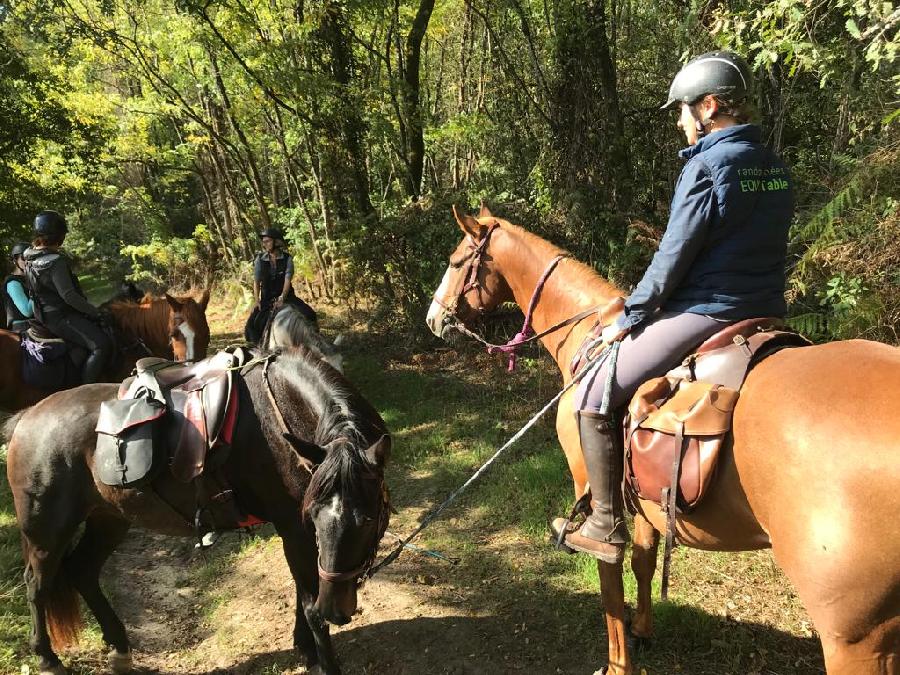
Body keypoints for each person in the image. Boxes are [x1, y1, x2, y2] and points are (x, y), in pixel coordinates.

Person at [551, 51, 794, 563]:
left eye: (683, 110)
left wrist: (632, 315)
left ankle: (604, 522)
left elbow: (674, 254)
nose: (680, 122)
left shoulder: (706, 165)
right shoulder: (774, 166)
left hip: (707, 311)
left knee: (593, 394)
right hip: (765, 308)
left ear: (709, 106)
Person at [23, 210, 113, 384]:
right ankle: (85, 390)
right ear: (59, 237)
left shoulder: (29, 258)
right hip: (62, 317)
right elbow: (69, 295)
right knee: (102, 345)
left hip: (43, 316)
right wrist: (96, 312)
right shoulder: (55, 261)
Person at [244, 227, 318, 344]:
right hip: (267, 299)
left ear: (276, 242)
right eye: (263, 242)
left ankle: (317, 343)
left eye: (267, 241)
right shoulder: (259, 259)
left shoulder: (287, 259)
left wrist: (282, 298)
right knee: (252, 325)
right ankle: (257, 350)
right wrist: (257, 300)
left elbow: (287, 280)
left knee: (310, 314)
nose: (264, 244)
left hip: (287, 297)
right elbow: (256, 281)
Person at [3, 242, 35, 333]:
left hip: (35, 325)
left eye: (31, 258)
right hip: (23, 328)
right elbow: (27, 311)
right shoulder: (13, 283)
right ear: (15, 261)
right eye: (24, 258)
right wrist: (38, 290)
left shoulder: (29, 279)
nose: (28, 261)